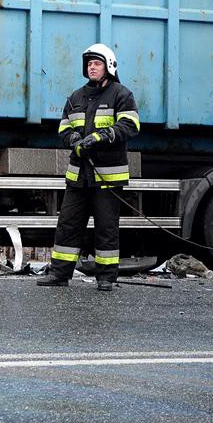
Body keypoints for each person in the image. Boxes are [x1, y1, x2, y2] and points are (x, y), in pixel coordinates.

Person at [37, 43, 140, 292]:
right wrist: (73, 139)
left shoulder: (121, 95)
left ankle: (106, 278)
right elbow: (64, 127)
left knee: (106, 228)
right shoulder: (76, 97)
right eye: (89, 64)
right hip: (79, 176)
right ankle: (59, 274)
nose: (92, 67)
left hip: (107, 177)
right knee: (68, 225)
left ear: (109, 67)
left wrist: (101, 137)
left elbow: (131, 125)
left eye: (97, 63)